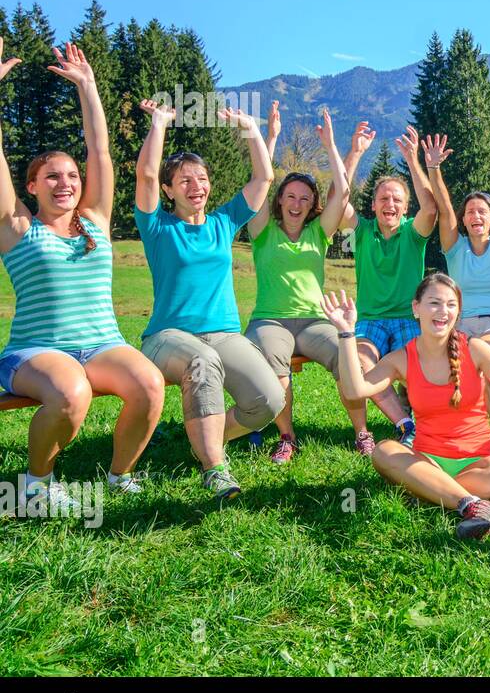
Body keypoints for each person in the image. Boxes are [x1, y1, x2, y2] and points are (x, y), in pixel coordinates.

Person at [0, 41, 165, 512]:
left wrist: (88, 87)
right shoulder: (15, 227)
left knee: (150, 385)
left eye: (71, 175)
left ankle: (118, 475)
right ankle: (35, 484)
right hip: (35, 352)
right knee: (71, 391)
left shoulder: (94, 219)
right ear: (31, 186)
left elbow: (100, 149)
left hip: (102, 344)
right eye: (51, 176)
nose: (66, 182)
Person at [323, 275, 490, 538]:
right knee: (383, 451)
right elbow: (354, 390)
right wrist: (347, 333)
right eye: (434, 303)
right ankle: (473, 504)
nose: (443, 311)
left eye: (451, 305)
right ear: (416, 308)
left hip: (479, 464)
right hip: (427, 460)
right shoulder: (402, 358)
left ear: (458, 311)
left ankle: (428, 491)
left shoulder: (476, 350)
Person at [134, 98, 282, 500]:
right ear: (168, 190)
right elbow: (145, 175)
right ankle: (215, 468)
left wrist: (251, 129)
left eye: (200, 178)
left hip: (223, 333)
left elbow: (263, 179)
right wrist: (160, 124)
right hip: (167, 336)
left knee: (268, 401)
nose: (195, 186)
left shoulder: (223, 222)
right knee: (204, 362)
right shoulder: (157, 227)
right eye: (183, 180)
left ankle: (201, 435)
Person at [246, 104, 367, 462]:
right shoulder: (262, 231)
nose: (297, 203)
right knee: (273, 362)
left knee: (349, 361)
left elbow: (342, 194)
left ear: (313, 203)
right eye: (291, 196)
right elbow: (258, 183)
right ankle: (287, 436)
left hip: (316, 320)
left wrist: (332, 146)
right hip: (270, 319)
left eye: (305, 197)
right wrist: (270, 138)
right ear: (280, 199)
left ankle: (362, 433)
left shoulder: (319, 232)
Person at [424, 133, 490, 449]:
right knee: (450, 351)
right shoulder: (455, 248)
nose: (475, 216)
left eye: (482, 212)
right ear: (463, 221)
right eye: (470, 213)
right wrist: (434, 168)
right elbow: (444, 206)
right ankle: (442, 427)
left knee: (483, 353)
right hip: (459, 325)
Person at [345, 126, 438, 451]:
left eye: (397, 200)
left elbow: (431, 209)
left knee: (422, 367)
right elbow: (338, 200)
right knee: (356, 364)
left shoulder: (413, 233)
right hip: (370, 320)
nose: (390, 204)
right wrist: (355, 152)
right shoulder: (362, 231)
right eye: (383, 198)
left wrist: (413, 160)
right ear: (373, 205)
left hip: (408, 320)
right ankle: (401, 426)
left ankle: (425, 422)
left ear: (405, 208)